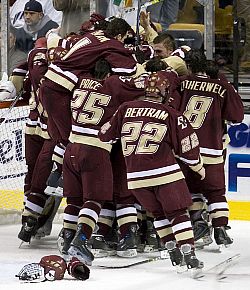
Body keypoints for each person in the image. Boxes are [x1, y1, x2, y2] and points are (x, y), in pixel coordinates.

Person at [99, 71, 205, 271]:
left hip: (135, 179)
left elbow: (105, 134)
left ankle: (173, 249)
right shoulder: (170, 113)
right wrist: (198, 167)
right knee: (178, 214)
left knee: (158, 214)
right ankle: (189, 254)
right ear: (165, 92)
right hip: (165, 174)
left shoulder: (125, 108)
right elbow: (187, 146)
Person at [39, 17, 138, 197]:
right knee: (73, 136)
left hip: (49, 85)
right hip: (60, 89)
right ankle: (61, 180)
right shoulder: (112, 43)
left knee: (64, 136)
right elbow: (128, 71)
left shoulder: (95, 35)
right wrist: (130, 53)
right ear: (119, 35)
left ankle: (55, 178)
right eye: (124, 38)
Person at [173, 49, 244, 247]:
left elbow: (171, 112)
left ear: (188, 66)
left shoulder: (181, 83)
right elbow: (237, 117)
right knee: (215, 192)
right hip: (212, 150)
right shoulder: (222, 86)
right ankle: (220, 230)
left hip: (186, 148)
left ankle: (198, 222)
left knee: (192, 188)